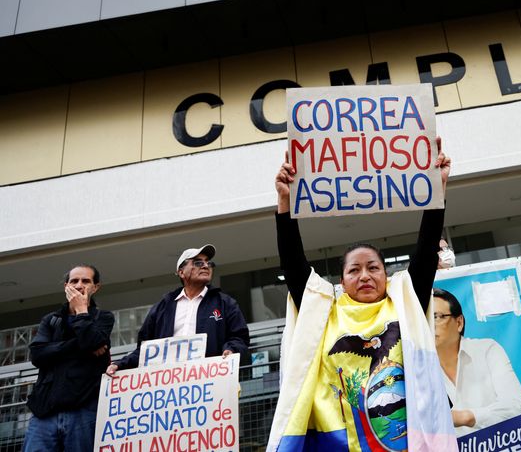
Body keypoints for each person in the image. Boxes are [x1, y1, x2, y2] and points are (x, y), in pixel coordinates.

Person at [268, 139, 456, 452]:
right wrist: (285, 202)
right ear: (340, 281)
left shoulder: (406, 303)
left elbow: (424, 253)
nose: (365, 275)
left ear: (386, 275)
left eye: (373, 268)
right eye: (354, 270)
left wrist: (438, 187)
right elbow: (292, 262)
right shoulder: (322, 311)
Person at [106, 244, 249, 374]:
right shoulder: (163, 307)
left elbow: (239, 338)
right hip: (171, 387)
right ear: (181, 272)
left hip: (210, 381)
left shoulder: (225, 303)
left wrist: (231, 350)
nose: (206, 266)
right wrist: (121, 364)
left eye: (209, 263)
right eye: (198, 262)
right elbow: (145, 351)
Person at [23, 265, 115, 452]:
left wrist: (82, 310)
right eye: (74, 281)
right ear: (66, 286)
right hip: (44, 413)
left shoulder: (103, 317)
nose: (79, 285)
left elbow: (92, 342)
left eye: (86, 281)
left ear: (95, 287)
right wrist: (79, 346)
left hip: (83, 411)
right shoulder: (51, 320)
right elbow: (37, 354)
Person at [433, 288, 521, 436]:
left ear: (459, 323)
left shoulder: (487, 350)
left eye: (437, 317)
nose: (429, 325)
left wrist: (466, 417)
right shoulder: (417, 370)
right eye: (423, 319)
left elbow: (518, 406)